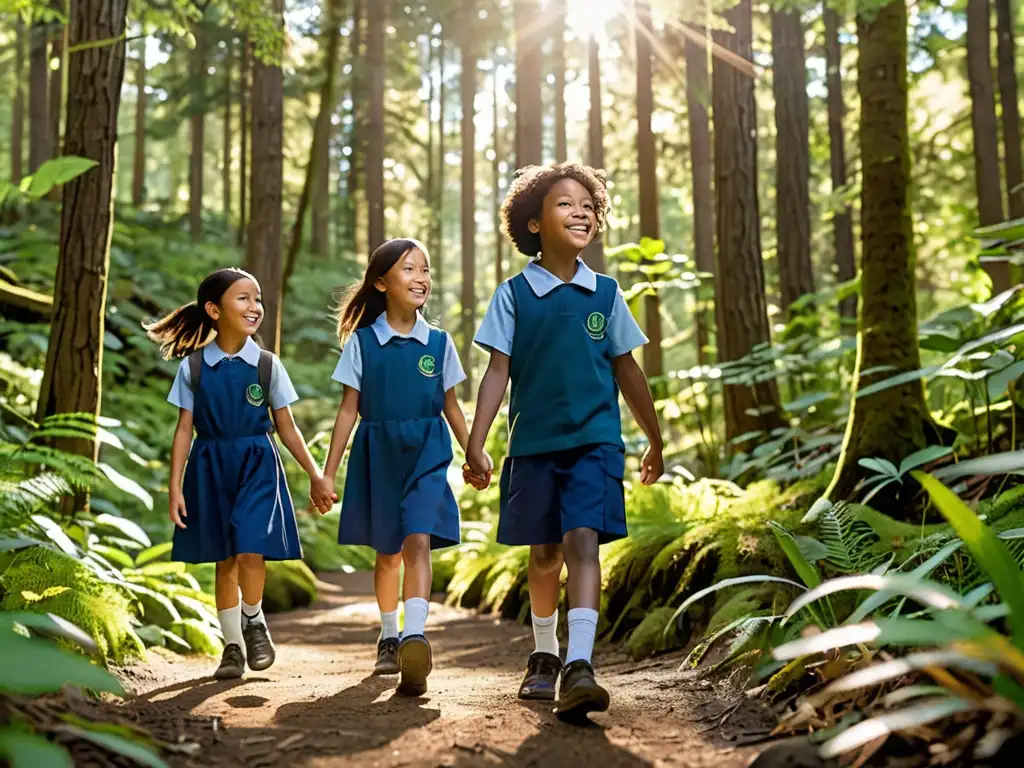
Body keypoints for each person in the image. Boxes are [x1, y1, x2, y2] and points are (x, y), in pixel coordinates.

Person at [464, 163, 663, 720]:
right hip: (532, 446)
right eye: (565, 204)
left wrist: (655, 439)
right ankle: (544, 655)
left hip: (596, 441)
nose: (581, 213)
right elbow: (497, 372)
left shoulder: (605, 293)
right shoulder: (514, 295)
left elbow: (628, 369)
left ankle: (581, 664)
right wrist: (476, 443)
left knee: (582, 541)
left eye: (589, 206)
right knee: (546, 553)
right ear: (533, 222)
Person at [313, 238, 489, 697]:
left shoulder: (439, 342)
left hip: (428, 452)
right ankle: (389, 634)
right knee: (388, 551)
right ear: (381, 282)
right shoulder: (364, 343)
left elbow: (452, 406)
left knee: (418, 538)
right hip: (378, 452)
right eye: (409, 269)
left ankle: (415, 634)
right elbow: (348, 411)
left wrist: (474, 452)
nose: (421, 278)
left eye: (425, 270)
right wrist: (327, 474)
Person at [146, 268, 332, 680]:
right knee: (225, 558)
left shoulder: (266, 365)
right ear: (214, 310)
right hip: (209, 465)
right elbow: (183, 430)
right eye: (243, 299)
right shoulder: (193, 368)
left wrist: (317, 475)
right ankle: (232, 647)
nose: (255, 307)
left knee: (251, 545)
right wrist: (175, 487)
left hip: (257, 462)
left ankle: (254, 618)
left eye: (258, 298)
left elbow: (287, 427)